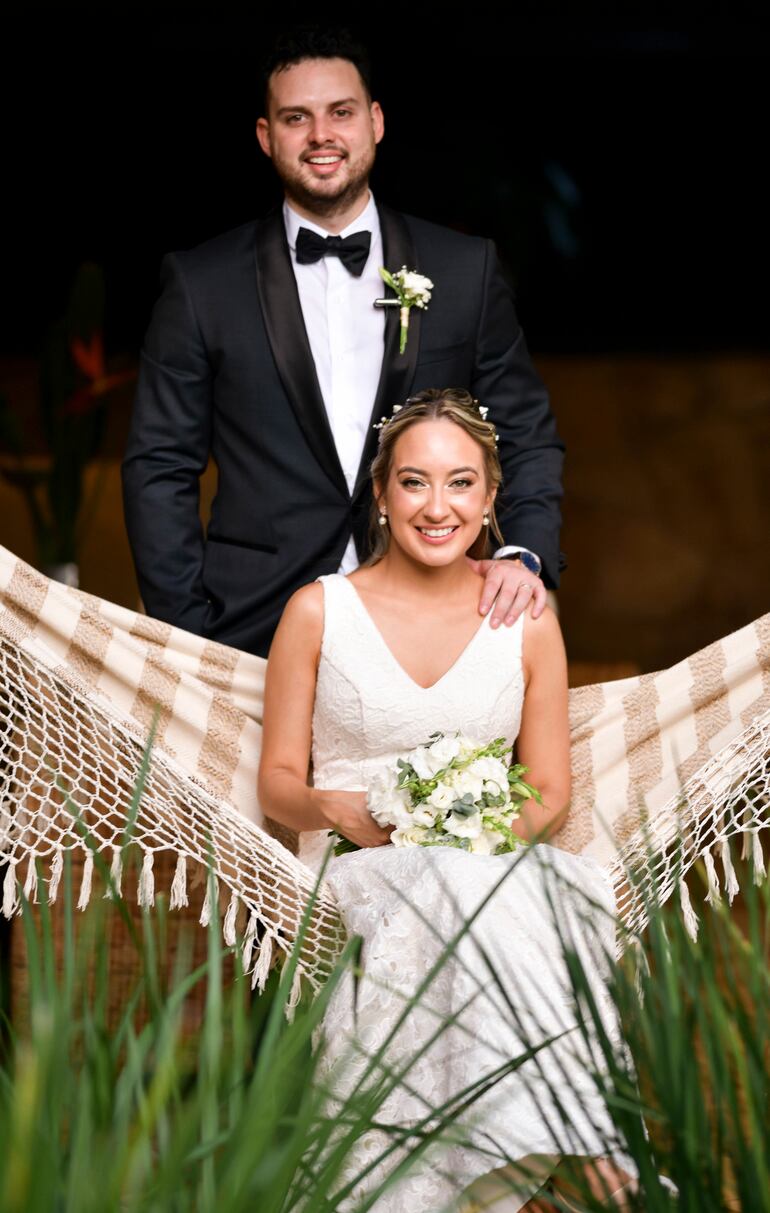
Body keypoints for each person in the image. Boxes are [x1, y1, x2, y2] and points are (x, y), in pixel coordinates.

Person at [258, 389, 636, 1211]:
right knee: (496, 893)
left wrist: (470, 834)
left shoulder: (530, 619)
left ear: (493, 497)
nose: (439, 506)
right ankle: (581, 1132)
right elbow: (277, 785)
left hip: (486, 862)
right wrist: (341, 811)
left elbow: (550, 789)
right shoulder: (319, 611)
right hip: (358, 859)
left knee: (515, 885)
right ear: (383, 494)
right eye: (415, 482)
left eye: (461, 483)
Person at [121, 26, 566, 660]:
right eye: (296, 118)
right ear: (266, 136)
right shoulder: (200, 285)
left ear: (376, 122)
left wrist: (522, 555)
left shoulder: (467, 269)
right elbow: (159, 466)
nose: (321, 135)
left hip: (446, 619)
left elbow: (524, 430)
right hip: (251, 630)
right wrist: (190, 632)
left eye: (341, 113)